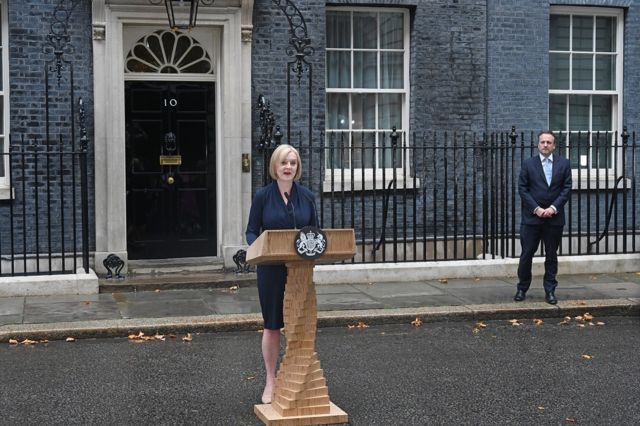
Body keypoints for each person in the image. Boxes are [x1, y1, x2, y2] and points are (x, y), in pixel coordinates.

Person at [245, 144, 318, 404]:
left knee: (299, 325)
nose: (289, 167)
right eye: (284, 163)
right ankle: (270, 380)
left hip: (300, 271)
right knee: (273, 325)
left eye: (293, 163)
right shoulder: (262, 196)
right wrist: (258, 249)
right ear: (275, 166)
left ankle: (297, 378)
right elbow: (251, 230)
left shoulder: (307, 196)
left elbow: (315, 234)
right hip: (271, 270)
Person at [515, 130, 572, 304]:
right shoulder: (528, 164)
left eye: (549, 142)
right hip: (532, 219)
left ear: (554, 145)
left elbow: (567, 188)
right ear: (538, 144)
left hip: (554, 219)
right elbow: (522, 189)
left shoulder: (564, 164)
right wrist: (537, 209)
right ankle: (522, 288)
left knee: (551, 256)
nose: (545, 145)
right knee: (526, 255)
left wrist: (553, 208)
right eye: (542, 142)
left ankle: (550, 291)